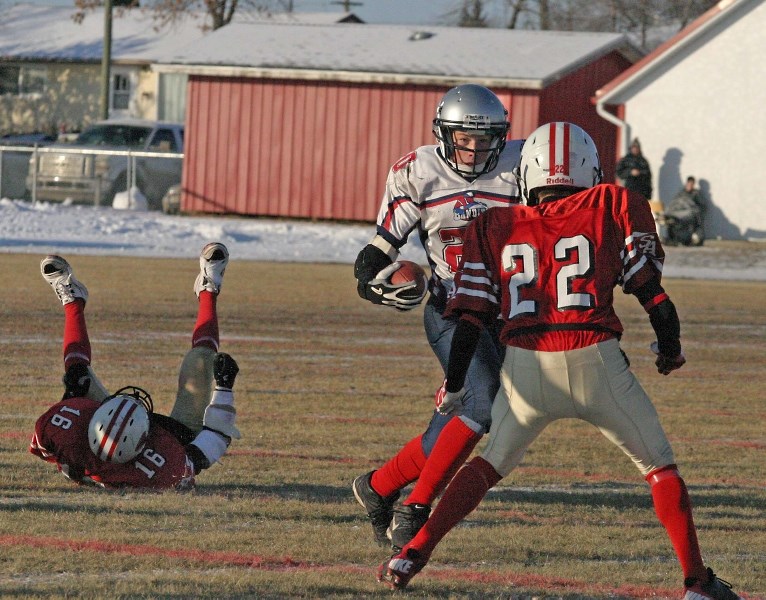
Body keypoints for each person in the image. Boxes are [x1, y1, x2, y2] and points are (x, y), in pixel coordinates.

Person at [378, 122, 741, 600]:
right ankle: (696, 582)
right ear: (588, 170)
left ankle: (412, 553)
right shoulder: (612, 203)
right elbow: (653, 295)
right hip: (597, 362)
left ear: (527, 172)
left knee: (488, 466)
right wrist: (669, 350)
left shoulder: (493, 223)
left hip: (525, 369)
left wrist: (454, 378)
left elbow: (470, 316)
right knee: (659, 468)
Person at [352, 83, 523, 553]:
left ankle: (379, 485)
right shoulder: (419, 172)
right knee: (480, 406)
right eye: (463, 138)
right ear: (443, 134)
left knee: (456, 421)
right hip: (451, 307)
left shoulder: (521, 166)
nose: (473, 149)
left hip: (509, 313)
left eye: (484, 138)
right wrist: (372, 281)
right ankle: (416, 509)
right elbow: (381, 248)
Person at [30, 242, 242, 490]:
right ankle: (209, 288)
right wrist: (224, 387)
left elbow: (45, 447)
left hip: (97, 439)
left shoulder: (62, 430)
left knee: (78, 373)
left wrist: (72, 395)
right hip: (176, 434)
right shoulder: (167, 467)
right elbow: (216, 438)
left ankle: (72, 300)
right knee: (201, 361)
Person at [665, 176, 705, 246]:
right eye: (689, 184)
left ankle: (687, 239)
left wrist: (695, 209)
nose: (690, 186)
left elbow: (702, 206)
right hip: (679, 213)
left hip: (690, 214)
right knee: (671, 221)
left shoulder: (696, 194)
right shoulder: (681, 193)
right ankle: (672, 238)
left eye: (692, 184)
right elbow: (675, 202)